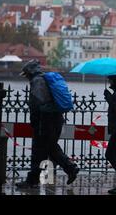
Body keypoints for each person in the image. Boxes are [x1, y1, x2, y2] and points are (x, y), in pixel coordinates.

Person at [16, 60, 79, 189]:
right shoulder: (44, 79)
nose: (26, 77)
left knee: (42, 149)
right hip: (54, 119)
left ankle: (70, 168)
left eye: (26, 74)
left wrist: (35, 119)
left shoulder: (37, 81)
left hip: (46, 120)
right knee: (47, 148)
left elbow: (39, 103)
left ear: (30, 72)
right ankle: (33, 179)